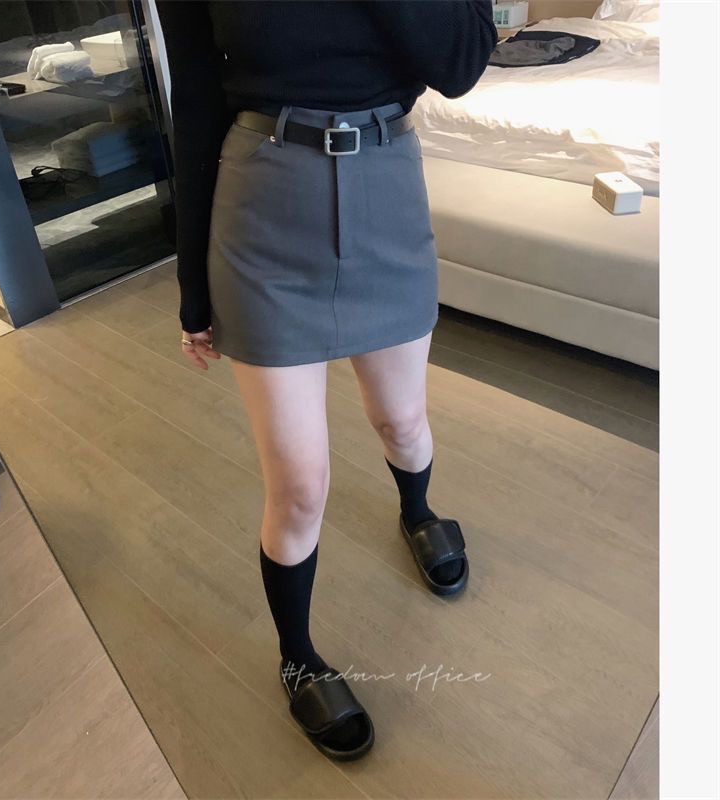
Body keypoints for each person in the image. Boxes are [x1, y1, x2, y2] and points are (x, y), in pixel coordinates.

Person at [155, 0, 498, 761]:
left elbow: (460, 62)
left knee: (402, 421)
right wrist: (191, 283)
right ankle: (297, 657)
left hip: (386, 186)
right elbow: (198, 100)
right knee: (299, 485)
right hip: (261, 210)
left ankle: (418, 511)